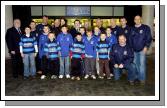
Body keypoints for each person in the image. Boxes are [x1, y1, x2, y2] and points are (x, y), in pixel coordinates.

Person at [130, 15, 152, 85]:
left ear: (141, 20)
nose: (137, 20)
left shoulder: (146, 28)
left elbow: (149, 38)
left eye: (138, 19)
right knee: (135, 64)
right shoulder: (132, 28)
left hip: (142, 50)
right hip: (134, 50)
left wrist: (146, 47)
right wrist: (131, 48)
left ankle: (142, 79)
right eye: (136, 19)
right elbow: (130, 39)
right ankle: (136, 77)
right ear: (134, 20)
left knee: (141, 65)